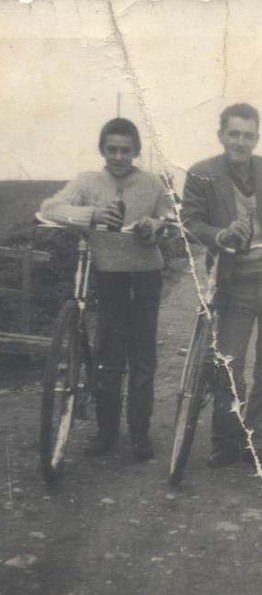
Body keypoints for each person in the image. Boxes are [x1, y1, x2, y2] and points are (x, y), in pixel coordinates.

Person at [181, 103, 262, 469]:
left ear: (257, 137)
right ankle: (225, 440)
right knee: (227, 364)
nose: (240, 141)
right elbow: (190, 219)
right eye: (234, 134)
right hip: (233, 284)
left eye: (248, 135)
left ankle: (258, 442)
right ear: (221, 135)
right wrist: (219, 235)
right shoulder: (201, 173)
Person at [41, 117, 172, 460]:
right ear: (102, 149)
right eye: (111, 149)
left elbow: (171, 222)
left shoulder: (153, 183)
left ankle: (140, 435)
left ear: (136, 152)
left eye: (125, 150)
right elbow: (50, 208)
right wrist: (93, 216)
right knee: (108, 355)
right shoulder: (88, 182)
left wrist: (154, 227)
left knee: (142, 355)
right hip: (108, 275)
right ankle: (107, 432)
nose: (118, 156)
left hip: (145, 276)